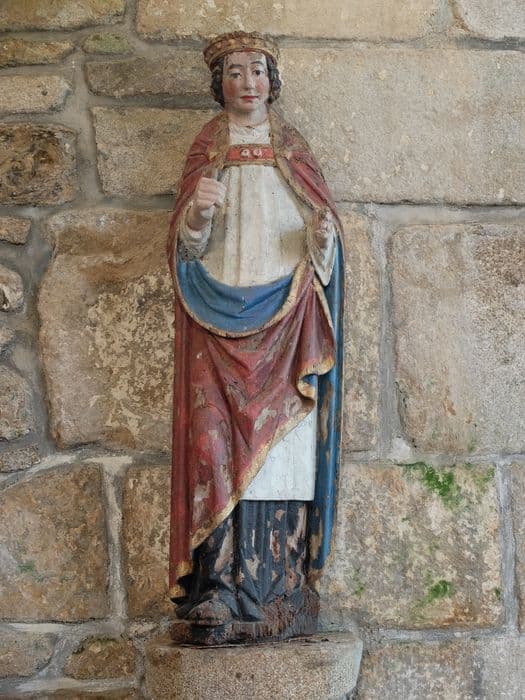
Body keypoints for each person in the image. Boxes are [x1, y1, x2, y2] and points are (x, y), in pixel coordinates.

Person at [167, 31, 344, 644]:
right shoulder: (206, 145)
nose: (248, 82)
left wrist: (322, 239)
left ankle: (281, 589)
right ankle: (216, 589)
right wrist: (198, 213)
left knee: (285, 449)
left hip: (287, 315)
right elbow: (185, 247)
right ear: (219, 84)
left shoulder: (292, 146)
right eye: (235, 72)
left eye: (258, 71)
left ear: (273, 81)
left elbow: (323, 242)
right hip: (216, 315)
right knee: (214, 447)